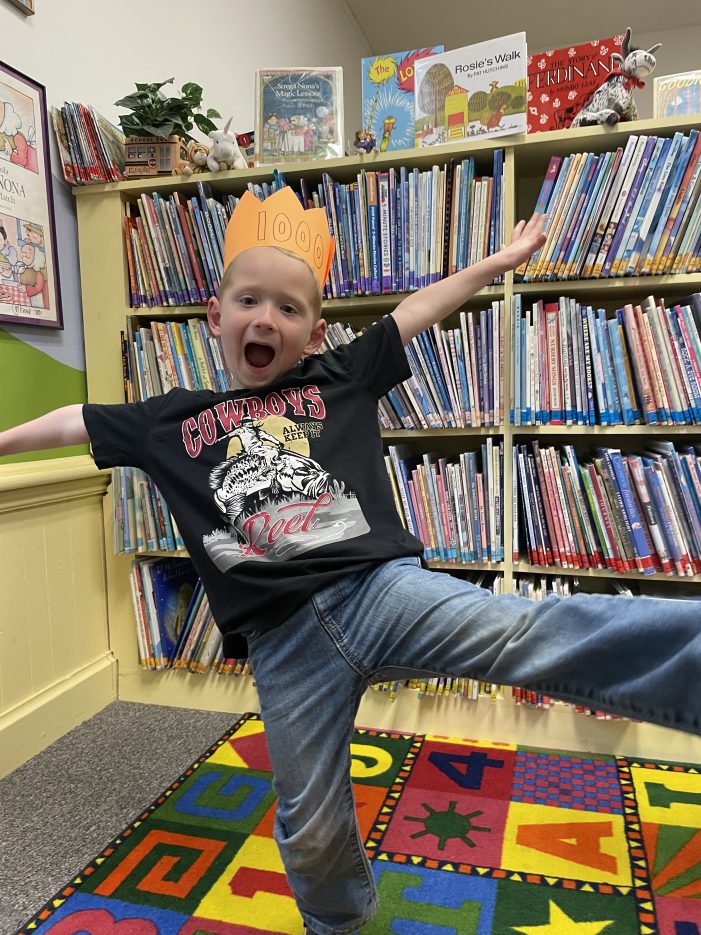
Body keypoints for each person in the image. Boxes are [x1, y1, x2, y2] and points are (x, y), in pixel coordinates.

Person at [1, 186, 699, 935]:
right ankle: (335, 923)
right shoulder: (169, 419)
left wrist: (498, 263)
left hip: (379, 589)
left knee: (525, 629)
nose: (265, 317)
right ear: (215, 315)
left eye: (289, 308)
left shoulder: (338, 376)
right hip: (284, 643)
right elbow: (74, 419)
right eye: (248, 301)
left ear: (313, 331)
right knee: (308, 819)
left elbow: (418, 310)